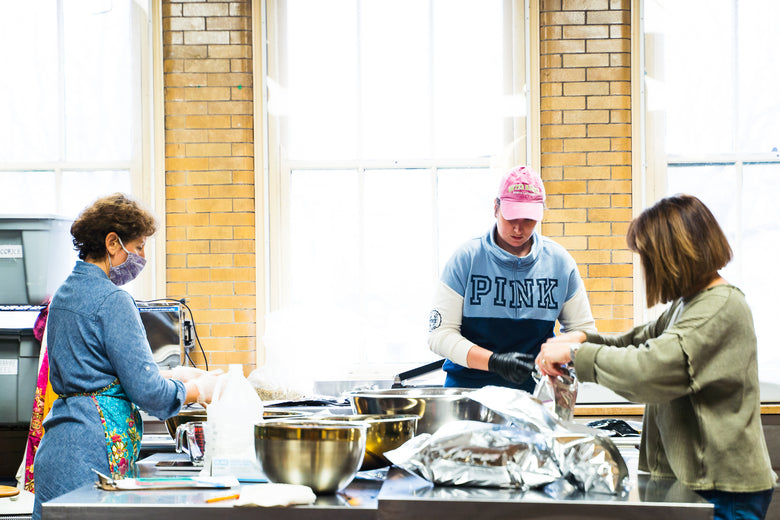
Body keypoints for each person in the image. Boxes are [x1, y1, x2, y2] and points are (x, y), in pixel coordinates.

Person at [537, 194, 776, 520]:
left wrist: (577, 354)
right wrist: (582, 337)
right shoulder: (688, 304)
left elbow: (649, 370)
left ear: (674, 256)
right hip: (704, 484)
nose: (646, 268)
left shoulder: (719, 307)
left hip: (723, 491)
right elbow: (637, 340)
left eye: (648, 259)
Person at [32, 193, 220, 520]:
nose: (143, 256)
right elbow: (149, 394)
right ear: (112, 243)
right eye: (140, 246)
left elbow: (99, 373)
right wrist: (198, 390)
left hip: (58, 449)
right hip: (92, 454)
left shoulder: (62, 296)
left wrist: (173, 377)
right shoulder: (114, 300)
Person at [427, 165, 596, 392]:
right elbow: (439, 335)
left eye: (528, 219)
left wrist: (559, 356)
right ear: (496, 208)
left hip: (535, 395)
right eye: (511, 217)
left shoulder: (560, 263)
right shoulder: (465, 259)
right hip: (469, 393)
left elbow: (585, 333)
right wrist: (494, 362)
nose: (518, 228)